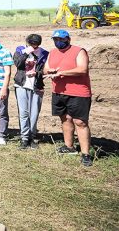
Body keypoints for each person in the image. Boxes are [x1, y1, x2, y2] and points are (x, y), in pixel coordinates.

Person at [44, 30, 93, 167]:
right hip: (59, 91)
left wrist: (61, 73)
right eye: (55, 39)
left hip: (78, 92)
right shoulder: (52, 52)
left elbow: (82, 69)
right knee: (65, 119)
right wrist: (50, 71)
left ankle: (85, 154)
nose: (58, 41)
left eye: (61, 39)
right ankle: (69, 147)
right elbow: (46, 69)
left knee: (80, 122)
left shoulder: (79, 51)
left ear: (68, 39)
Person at [13, 34, 48, 150]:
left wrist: (37, 73)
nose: (34, 46)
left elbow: (46, 70)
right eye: (31, 44)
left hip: (36, 86)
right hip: (21, 85)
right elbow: (18, 64)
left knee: (34, 114)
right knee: (23, 113)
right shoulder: (20, 49)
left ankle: (32, 137)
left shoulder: (44, 53)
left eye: (36, 45)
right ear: (27, 42)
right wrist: (25, 52)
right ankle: (24, 138)